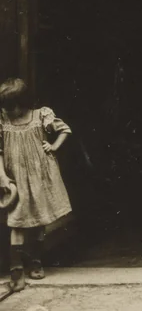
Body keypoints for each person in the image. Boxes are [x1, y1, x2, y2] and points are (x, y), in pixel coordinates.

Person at [0, 78, 71, 291]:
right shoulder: (3, 121)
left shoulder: (41, 116)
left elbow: (65, 129)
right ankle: (16, 268)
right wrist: (2, 176)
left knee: (39, 220)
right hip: (15, 179)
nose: (8, 110)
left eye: (11, 106)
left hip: (39, 177)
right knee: (16, 221)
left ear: (22, 102)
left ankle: (36, 261)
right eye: (4, 106)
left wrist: (54, 146)